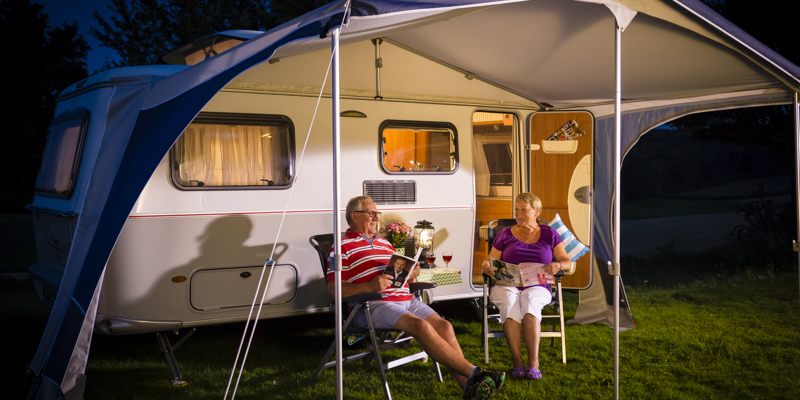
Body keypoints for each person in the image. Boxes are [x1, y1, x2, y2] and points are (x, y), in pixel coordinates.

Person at [328, 196, 505, 399]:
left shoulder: (384, 243)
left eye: (377, 213)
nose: (376, 218)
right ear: (354, 216)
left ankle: (468, 387)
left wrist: (411, 275)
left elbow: (399, 277)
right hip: (373, 304)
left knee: (445, 326)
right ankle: (477, 373)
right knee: (421, 327)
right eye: (371, 213)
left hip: (405, 299)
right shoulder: (341, 247)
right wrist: (369, 286)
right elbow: (333, 291)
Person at [481, 193, 571, 380]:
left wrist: (558, 266)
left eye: (523, 209)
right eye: (516, 209)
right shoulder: (504, 234)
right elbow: (490, 260)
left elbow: (567, 262)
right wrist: (487, 266)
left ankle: (533, 363)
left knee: (530, 302)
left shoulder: (549, 234)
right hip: (506, 283)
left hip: (537, 284)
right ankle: (518, 363)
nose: (518, 213)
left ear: (536, 211)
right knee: (509, 301)